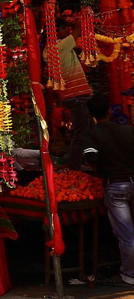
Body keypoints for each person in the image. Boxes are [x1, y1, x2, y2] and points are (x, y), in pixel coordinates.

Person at [84, 96, 134, 288]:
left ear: (91, 115)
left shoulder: (92, 134)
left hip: (116, 186)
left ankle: (129, 275)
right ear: (110, 111)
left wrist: (98, 171)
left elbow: (91, 157)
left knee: (127, 234)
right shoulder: (128, 130)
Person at [48, 17, 94, 169]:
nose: (67, 31)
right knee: (80, 134)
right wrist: (79, 21)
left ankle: (87, 162)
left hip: (75, 96)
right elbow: (77, 32)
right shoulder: (58, 46)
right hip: (76, 96)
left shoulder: (54, 49)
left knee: (87, 133)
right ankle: (75, 168)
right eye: (63, 29)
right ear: (55, 31)